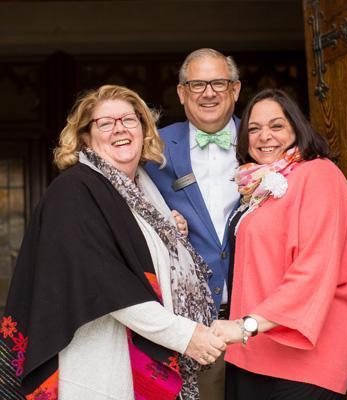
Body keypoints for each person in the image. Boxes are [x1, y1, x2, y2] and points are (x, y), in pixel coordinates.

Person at [0, 85, 227, 400]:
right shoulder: (73, 191)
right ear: (84, 138)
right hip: (99, 367)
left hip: (140, 360)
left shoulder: (143, 193)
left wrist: (169, 239)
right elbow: (106, 280)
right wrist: (185, 335)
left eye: (129, 120)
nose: (119, 128)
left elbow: (139, 260)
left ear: (144, 129)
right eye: (105, 123)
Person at [211, 88, 347, 399]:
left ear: (297, 128)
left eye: (276, 126)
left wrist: (245, 325)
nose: (264, 136)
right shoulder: (259, 185)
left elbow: (315, 268)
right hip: (251, 353)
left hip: (305, 358)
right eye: (253, 129)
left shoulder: (320, 174)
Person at [145, 48, 241, 399]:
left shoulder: (263, 139)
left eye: (218, 82)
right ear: (182, 93)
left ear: (235, 89)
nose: (209, 92)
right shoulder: (152, 148)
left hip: (260, 314)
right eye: (197, 84)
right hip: (194, 322)